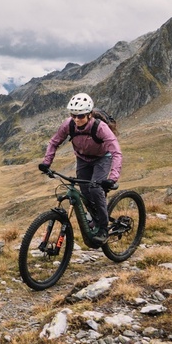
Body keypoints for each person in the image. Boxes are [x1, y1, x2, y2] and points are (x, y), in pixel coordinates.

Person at [38, 93, 123, 245]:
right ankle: (94, 217)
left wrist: (112, 178)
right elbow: (54, 142)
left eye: (81, 116)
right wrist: (46, 163)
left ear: (90, 114)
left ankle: (103, 228)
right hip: (82, 159)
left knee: (96, 189)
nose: (77, 119)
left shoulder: (100, 127)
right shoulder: (68, 124)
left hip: (102, 158)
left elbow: (116, 151)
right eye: (74, 115)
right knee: (84, 190)